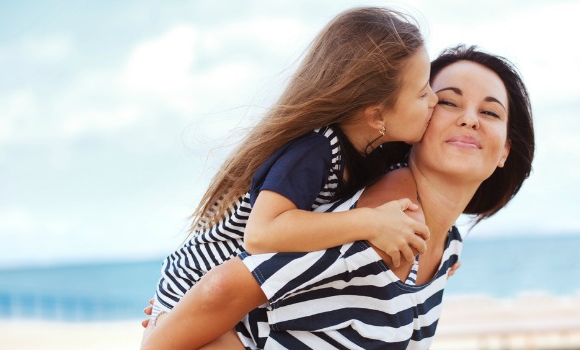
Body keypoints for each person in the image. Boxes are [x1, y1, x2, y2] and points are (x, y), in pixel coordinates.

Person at [140, 44, 535, 350]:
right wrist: (165, 329)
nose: (469, 118)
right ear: (416, 118)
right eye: (447, 101)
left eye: (491, 112)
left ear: (504, 152)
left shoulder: (445, 247)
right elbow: (225, 287)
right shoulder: (382, 223)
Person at [149, 6, 439, 328]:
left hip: (240, 293)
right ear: (376, 116)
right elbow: (261, 233)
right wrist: (370, 221)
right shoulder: (315, 149)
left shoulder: (378, 149)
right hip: (193, 285)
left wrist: (437, 254)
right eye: (422, 91)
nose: (435, 99)